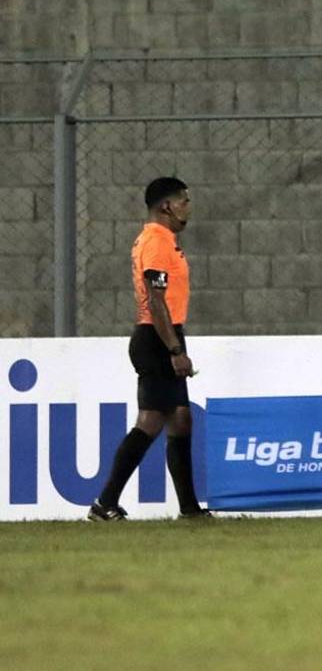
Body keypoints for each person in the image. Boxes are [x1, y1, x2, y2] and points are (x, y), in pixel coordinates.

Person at [89, 177, 208, 521]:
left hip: (163, 335)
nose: (188, 207)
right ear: (166, 206)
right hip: (156, 339)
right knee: (152, 421)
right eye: (184, 201)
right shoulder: (155, 242)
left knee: (180, 420)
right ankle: (104, 502)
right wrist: (174, 349)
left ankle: (189, 509)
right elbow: (155, 300)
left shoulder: (164, 240)